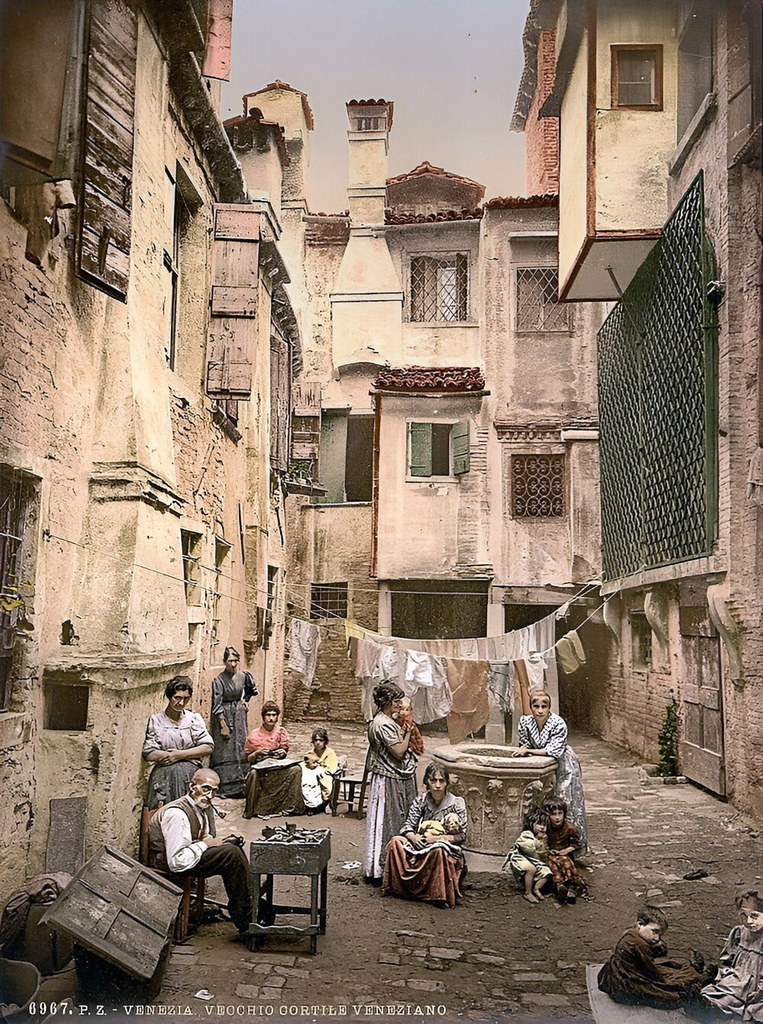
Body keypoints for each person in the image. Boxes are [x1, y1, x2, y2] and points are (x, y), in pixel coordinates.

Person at [147, 768, 252, 938]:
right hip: (169, 861)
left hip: (187, 855)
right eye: (206, 789)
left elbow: (202, 837)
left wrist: (222, 841)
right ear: (192, 786)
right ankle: (246, 920)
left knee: (233, 849)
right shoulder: (177, 814)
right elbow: (176, 861)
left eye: (214, 791)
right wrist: (207, 844)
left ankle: (250, 907)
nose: (210, 795)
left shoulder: (199, 808)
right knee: (231, 855)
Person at [511, 689, 589, 853]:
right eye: (536, 706)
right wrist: (526, 751)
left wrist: (528, 751)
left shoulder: (558, 723)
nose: (540, 711)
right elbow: (524, 745)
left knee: (563, 801)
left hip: (563, 765)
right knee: (542, 803)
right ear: (531, 707)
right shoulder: (525, 722)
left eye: (544, 706)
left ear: (549, 708)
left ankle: (569, 848)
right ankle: (546, 846)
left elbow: (553, 751)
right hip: (541, 764)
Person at [382, 762, 467, 908]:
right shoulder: (421, 800)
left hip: (445, 848)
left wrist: (437, 839)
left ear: (447, 783)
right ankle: (398, 888)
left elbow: (462, 836)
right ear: (427, 782)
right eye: (433, 780)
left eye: (441, 781)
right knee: (395, 842)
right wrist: (414, 837)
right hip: (422, 842)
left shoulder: (456, 803)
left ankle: (436, 894)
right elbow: (408, 825)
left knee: (438, 851)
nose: (437, 785)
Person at [597, 905, 707, 1009]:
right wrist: (669, 984)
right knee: (667, 993)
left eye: (660, 934)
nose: (657, 938)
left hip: (619, 973)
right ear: (640, 924)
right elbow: (652, 973)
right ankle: (692, 987)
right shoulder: (640, 944)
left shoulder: (632, 933)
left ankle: (693, 973)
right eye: (654, 932)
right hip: (626, 982)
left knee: (671, 967)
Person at [363, 681, 418, 885]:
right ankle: (384, 867)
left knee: (394, 820)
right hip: (388, 779)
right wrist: (408, 731)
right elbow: (399, 752)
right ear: (387, 702)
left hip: (393, 776)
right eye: (396, 701)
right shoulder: (382, 724)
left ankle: (393, 866)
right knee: (387, 820)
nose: (399, 705)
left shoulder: (386, 720)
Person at [142, 677, 214, 809]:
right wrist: (167, 756)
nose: (181, 703)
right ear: (169, 697)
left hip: (190, 774)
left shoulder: (193, 719)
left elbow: (208, 747)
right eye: (177, 698)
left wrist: (179, 755)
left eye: (186, 698)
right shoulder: (157, 720)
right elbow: (149, 752)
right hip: (165, 775)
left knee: (192, 811)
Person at [700, 888, 763, 1020]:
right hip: (737, 978)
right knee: (723, 991)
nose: (749, 921)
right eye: (744, 916)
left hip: (757, 985)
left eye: (754, 916)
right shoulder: (739, 933)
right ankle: (706, 1003)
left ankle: (714, 1007)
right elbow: (727, 959)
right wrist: (724, 973)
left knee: (749, 1004)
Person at [209, 646, 258, 798]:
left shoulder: (243, 676)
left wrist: (245, 701)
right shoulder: (219, 681)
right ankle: (225, 787)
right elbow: (216, 705)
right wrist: (223, 725)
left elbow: (251, 689)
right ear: (225, 662)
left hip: (239, 715)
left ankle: (241, 785)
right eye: (230, 661)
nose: (233, 664)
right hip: (224, 715)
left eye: (236, 660)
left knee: (240, 746)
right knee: (225, 749)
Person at [241, 701, 305, 818]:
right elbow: (248, 758)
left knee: (296, 769)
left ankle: (288, 806)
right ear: (263, 717)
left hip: (277, 766)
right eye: (268, 715)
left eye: (274, 715)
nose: (271, 718)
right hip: (261, 770)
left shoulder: (281, 732)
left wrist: (281, 753)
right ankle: (253, 809)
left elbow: (284, 751)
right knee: (253, 774)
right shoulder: (254, 734)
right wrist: (258, 753)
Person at [542, 797, 589, 904]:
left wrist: (565, 851)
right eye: (553, 814)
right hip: (549, 853)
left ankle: (571, 887)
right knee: (552, 865)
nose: (557, 817)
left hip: (564, 853)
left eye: (560, 813)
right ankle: (559, 887)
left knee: (566, 863)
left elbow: (577, 844)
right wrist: (548, 850)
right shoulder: (545, 827)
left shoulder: (570, 828)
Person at [503, 807, 552, 903]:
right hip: (520, 857)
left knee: (547, 871)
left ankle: (536, 889)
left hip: (532, 859)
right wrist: (538, 841)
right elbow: (529, 850)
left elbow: (542, 853)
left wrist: (542, 842)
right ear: (531, 823)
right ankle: (528, 893)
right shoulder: (527, 834)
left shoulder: (542, 838)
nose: (542, 827)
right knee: (531, 869)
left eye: (544, 825)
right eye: (539, 824)